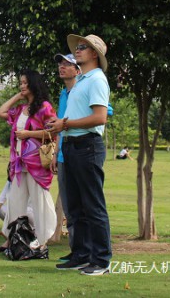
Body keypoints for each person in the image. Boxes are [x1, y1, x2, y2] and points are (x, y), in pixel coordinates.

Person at [47, 34, 112, 276]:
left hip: (87, 146)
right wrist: (63, 125)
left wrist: (65, 124)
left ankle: (101, 260)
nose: (77, 50)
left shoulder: (96, 80)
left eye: (83, 47)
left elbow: (100, 118)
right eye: (78, 47)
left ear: (95, 54)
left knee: (93, 206)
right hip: (72, 146)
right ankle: (82, 255)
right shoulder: (82, 81)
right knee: (76, 207)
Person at [0, 70, 57, 254]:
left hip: (36, 162)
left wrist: (29, 134)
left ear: (33, 84)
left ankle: (43, 240)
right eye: (20, 83)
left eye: (25, 83)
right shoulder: (21, 109)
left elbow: (53, 132)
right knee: (15, 200)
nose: (22, 86)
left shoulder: (44, 107)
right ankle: (13, 239)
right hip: (19, 162)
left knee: (39, 200)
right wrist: (17, 96)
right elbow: (0, 112)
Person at [51, 53, 80, 252]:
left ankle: (87, 250)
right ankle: (76, 251)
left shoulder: (84, 90)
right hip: (63, 155)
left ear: (78, 70)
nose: (62, 67)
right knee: (69, 208)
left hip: (81, 151)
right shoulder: (63, 94)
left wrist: (71, 122)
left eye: (67, 64)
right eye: (60, 63)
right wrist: (54, 154)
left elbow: (106, 111)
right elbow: (60, 126)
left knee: (83, 205)